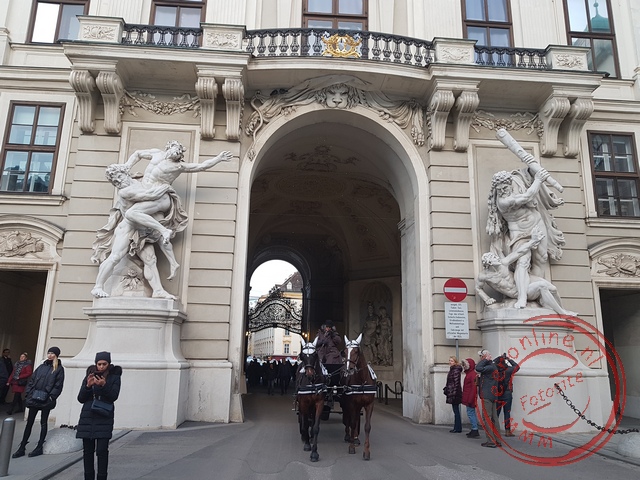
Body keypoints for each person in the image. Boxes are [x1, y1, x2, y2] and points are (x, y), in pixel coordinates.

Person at [91, 142, 232, 298]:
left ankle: (158, 290)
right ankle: (98, 286)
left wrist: (218, 159)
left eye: (120, 177)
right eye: (117, 180)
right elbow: (148, 195)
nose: (119, 181)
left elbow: (200, 166)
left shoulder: (140, 181)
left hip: (142, 229)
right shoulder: (126, 191)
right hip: (128, 228)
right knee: (115, 257)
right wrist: (164, 188)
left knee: (150, 260)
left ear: (125, 173)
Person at [486, 167, 564, 308]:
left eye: (505, 187)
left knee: (541, 259)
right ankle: (522, 297)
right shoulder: (503, 201)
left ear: (509, 183)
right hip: (519, 234)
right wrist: (538, 180)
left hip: (537, 224)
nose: (502, 191)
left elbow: (526, 178)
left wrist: (532, 172)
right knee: (522, 261)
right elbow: (527, 197)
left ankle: (534, 294)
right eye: (499, 189)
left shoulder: (516, 183)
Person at [476, 227, 576, 316]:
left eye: (495, 257)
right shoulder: (484, 276)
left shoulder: (503, 263)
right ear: (489, 263)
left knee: (553, 288)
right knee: (542, 286)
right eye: (493, 258)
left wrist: (532, 241)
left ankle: (562, 309)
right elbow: (478, 288)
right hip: (518, 293)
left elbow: (519, 252)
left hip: (523, 286)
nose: (497, 258)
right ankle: (562, 313)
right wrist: (486, 298)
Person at [76, 351, 122, 480]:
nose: (101, 367)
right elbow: (80, 398)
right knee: (87, 451)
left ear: (109, 364)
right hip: (87, 416)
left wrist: (103, 385)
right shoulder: (89, 375)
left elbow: (113, 396)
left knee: (102, 450)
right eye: (99, 364)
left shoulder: (114, 377)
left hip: (104, 416)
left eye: (104, 364)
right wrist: (88, 386)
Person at [12, 347, 65, 458]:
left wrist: (51, 397)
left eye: (52, 353)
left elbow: (58, 385)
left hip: (46, 399)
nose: (50, 355)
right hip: (34, 398)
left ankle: (39, 446)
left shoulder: (59, 369)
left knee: (43, 423)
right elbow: (32, 380)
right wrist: (28, 393)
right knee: (29, 423)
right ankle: (22, 447)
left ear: (56, 355)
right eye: (49, 353)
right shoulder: (41, 367)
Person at [475, 349, 501, 448]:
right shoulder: (493, 366)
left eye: (481, 357)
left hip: (487, 395)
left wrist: (485, 359)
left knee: (487, 418)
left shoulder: (489, 367)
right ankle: (497, 440)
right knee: (494, 418)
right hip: (493, 395)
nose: (480, 358)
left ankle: (491, 441)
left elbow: (478, 368)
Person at [495, 354, 519, 437]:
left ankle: (494, 429)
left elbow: (493, 362)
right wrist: (509, 359)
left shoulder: (495, 370)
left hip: (498, 393)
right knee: (507, 412)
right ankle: (507, 431)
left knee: (496, 413)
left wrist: (499, 357)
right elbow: (517, 367)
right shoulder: (508, 370)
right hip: (507, 393)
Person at [316, 320, 343, 386]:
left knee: (333, 358)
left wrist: (333, 335)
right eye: (327, 327)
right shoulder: (320, 333)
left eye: (329, 327)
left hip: (331, 353)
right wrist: (322, 341)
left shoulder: (334, 334)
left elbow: (339, 341)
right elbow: (315, 342)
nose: (328, 328)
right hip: (321, 352)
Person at [461, 357, 480, 438]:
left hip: (470, 397)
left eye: (465, 365)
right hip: (468, 396)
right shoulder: (470, 374)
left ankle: (475, 429)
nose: (464, 367)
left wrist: (471, 399)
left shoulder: (472, 375)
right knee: (471, 413)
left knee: (471, 413)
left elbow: (473, 388)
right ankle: (473, 429)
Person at [443, 356, 463, 433]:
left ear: (455, 362)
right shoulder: (453, 369)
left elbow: (456, 383)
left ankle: (457, 428)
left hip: (454, 393)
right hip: (453, 392)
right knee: (455, 410)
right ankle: (457, 427)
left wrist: (454, 393)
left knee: (456, 411)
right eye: (449, 360)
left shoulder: (455, 370)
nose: (450, 362)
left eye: (451, 361)